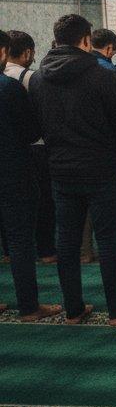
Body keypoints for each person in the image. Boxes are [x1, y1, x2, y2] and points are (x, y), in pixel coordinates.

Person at [29, 14, 116, 326]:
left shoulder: (40, 78)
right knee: (108, 241)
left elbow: (35, 125)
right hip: (101, 168)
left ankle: (73, 308)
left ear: (56, 40)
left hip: (61, 169)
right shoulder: (101, 75)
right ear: (86, 40)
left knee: (67, 240)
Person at [0, 30, 61, 322]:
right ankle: (28, 306)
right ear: (3, 52)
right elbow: (31, 131)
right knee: (21, 242)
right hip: (13, 172)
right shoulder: (8, 88)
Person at [4, 30, 56, 263]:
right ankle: (45, 250)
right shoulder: (29, 78)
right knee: (42, 203)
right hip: (29, 151)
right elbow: (36, 121)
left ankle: (7, 252)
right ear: (27, 53)